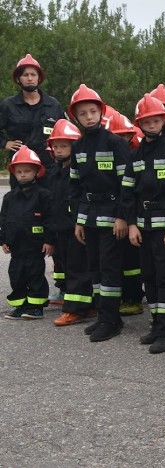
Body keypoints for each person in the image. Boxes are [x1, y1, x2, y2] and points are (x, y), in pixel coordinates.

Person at [123, 94, 165, 353]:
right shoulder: (136, 155)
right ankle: (156, 324)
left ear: (164, 120)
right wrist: (131, 225)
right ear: (140, 123)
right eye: (146, 121)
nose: (151, 125)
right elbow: (128, 194)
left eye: (155, 120)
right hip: (142, 226)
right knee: (149, 277)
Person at [67, 84, 131, 342]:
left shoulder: (115, 143)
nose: (89, 117)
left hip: (112, 215)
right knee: (95, 268)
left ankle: (111, 321)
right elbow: (75, 186)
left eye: (93, 111)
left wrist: (122, 217)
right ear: (76, 118)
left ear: (101, 112)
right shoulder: (78, 147)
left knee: (109, 269)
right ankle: (105, 317)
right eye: (83, 113)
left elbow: (127, 183)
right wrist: (78, 221)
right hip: (90, 216)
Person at [45, 120, 94, 326]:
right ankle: (87, 305)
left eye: (64, 146)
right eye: (56, 146)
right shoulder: (55, 173)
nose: (58, 150)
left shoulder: (80, 172)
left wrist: (79, 224)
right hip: (60, 231)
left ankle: (75, 310)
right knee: (67, 267)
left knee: (77, 269)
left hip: (75, 229)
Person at [0, 146, 55, 319]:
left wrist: (49, 241)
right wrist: (3, 240)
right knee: (16, 276)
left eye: (27, 171)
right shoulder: (9, 197)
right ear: (14, 173)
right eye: (19, 171)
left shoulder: (43, 195)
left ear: (37, 172)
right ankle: (21, 306)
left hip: (35, 246)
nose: (23, 174)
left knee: (35, 276)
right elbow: (3, 220)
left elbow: (50, 220)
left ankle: (36, 307)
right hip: (16, 247)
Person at [0, 54, 65, 187]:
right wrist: (5, 143)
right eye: (25, 75)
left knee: (51, 204)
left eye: (33, 74)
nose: (30, 78)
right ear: (18, 79)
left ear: (39, 78)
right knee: (21, 205)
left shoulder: (53, 104)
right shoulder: (8, 105)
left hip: (49, 166)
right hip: (21, 167)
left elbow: (65, 133)